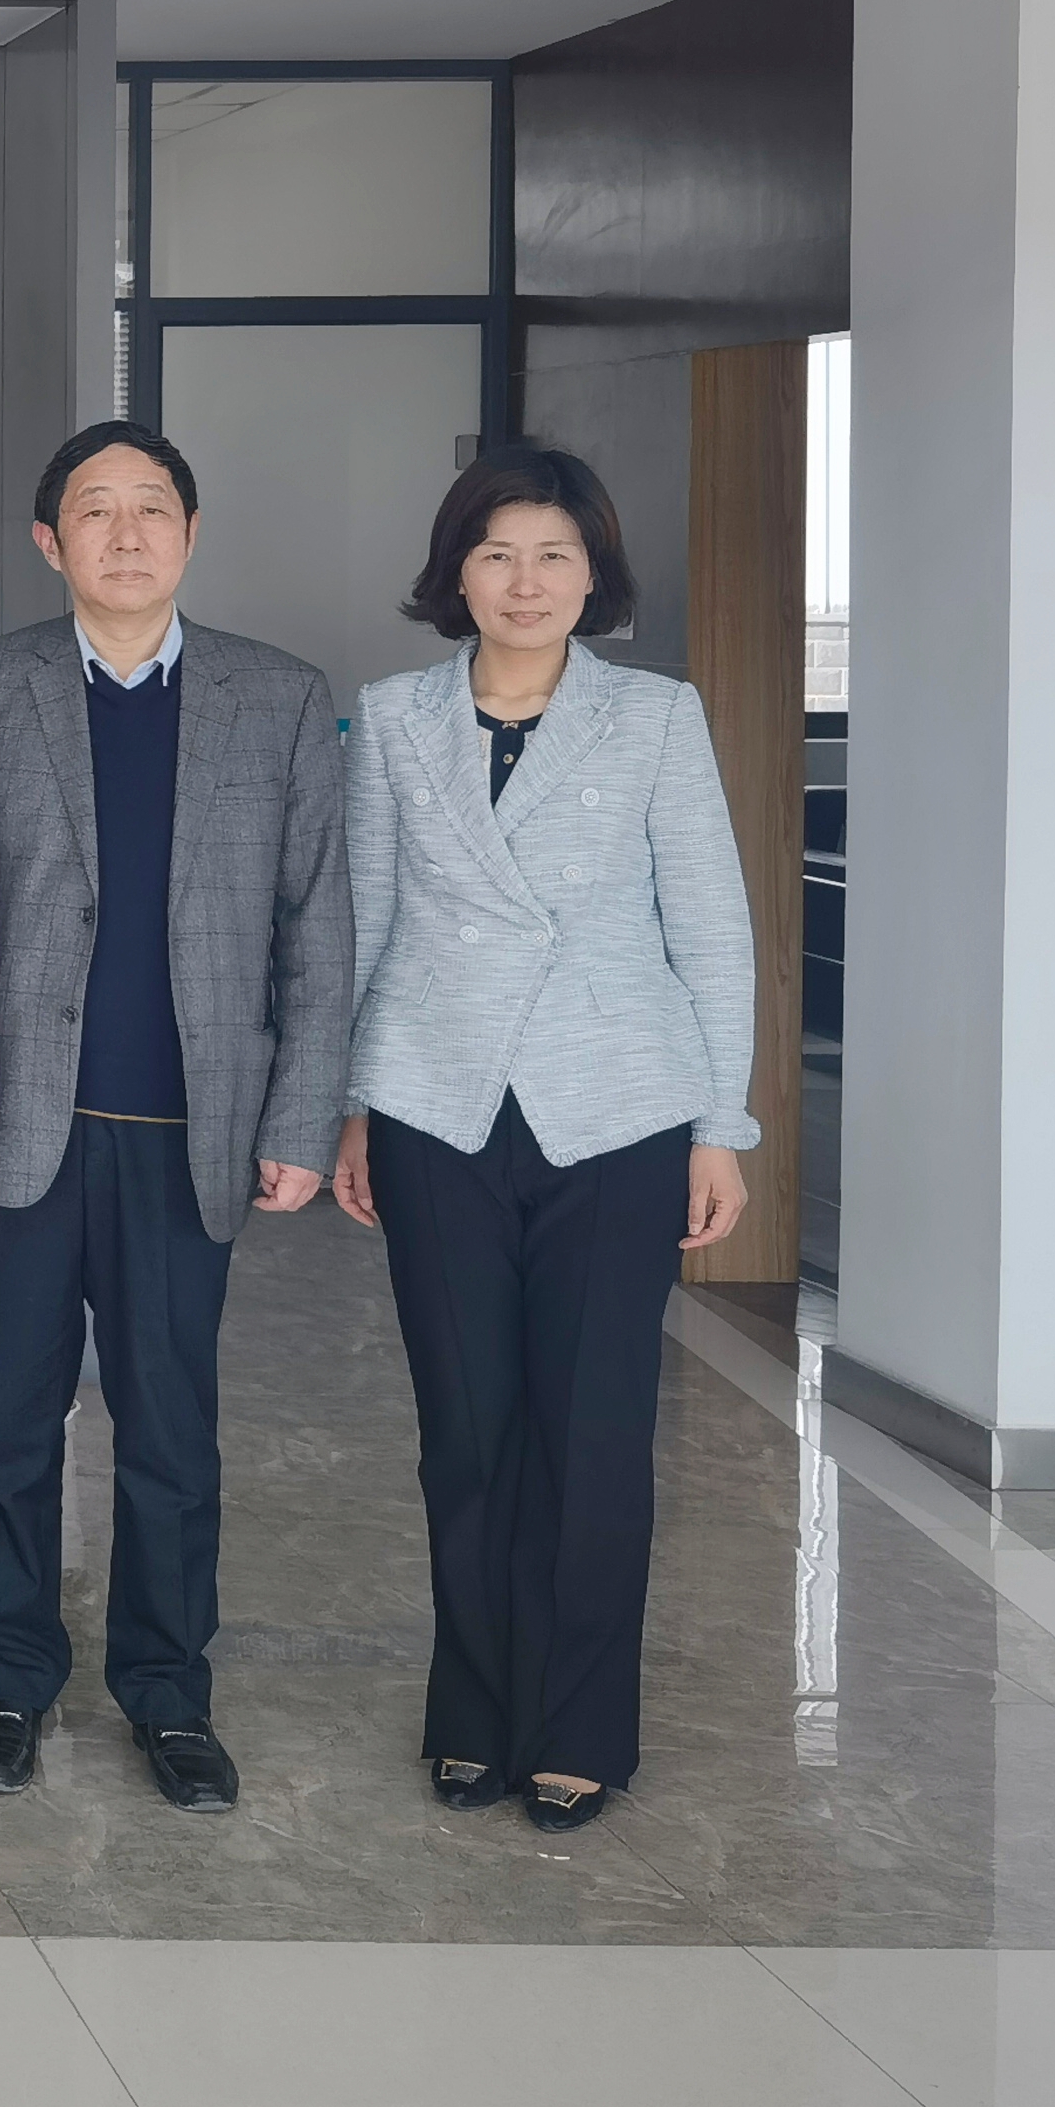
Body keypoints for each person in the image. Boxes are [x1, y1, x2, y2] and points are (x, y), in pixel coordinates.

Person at [330, 443, 755, 1831]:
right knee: (465, 1430)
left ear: (592, 575)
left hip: (617, 1110)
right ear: (457, 573)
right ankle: (472, 1712)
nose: (526, 582)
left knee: (593, 1432)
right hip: (437, 1106)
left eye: (554, 557)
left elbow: (711, 926)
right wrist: (353, 1105)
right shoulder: (393, 717)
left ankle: (579, 1728)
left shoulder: (656, 717)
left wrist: (720, 1125)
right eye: (498, 554)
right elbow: (367, 922)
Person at [0, 418, 351, 1813]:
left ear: (190, 532)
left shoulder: (277, 696)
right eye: (94, 510)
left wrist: (300, 1117)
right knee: (8, 1422)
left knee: (172, 1434)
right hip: (18, 1132)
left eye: (152, 507)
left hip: (189, 1135)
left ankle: (169, 1693)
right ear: (47, 541)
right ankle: (10, 1678)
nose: (125, 533)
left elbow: (316, 925)